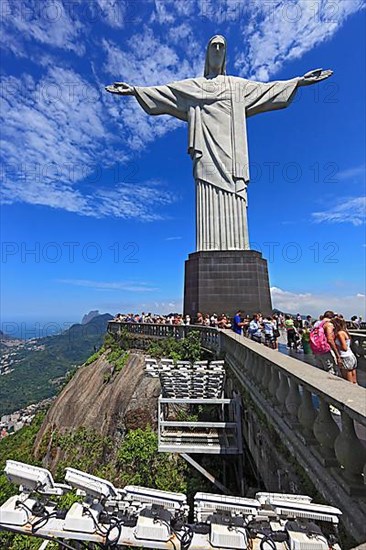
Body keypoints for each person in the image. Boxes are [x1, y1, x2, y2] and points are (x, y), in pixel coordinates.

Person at [106, 36, 332, 252]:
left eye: (221, 47)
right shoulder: (192, 86)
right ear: (206, 54)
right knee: (207, 194)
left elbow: (267, 90)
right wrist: (135, 90)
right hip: (205, 151)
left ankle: (237, 245)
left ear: (225, 55)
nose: (216, 50)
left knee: (235, 193)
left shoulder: (237, 86)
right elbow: (164, 92)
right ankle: (209, 246)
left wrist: (299, 82)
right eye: (213, 46)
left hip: (232, 154)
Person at [332, 317, 358, 384]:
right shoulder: (345, 332)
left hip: (345, 357)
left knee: (348, 382)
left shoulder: (340, 333)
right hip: (351, 356)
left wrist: (335, 345)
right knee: (354, 380)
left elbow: (344, 348)